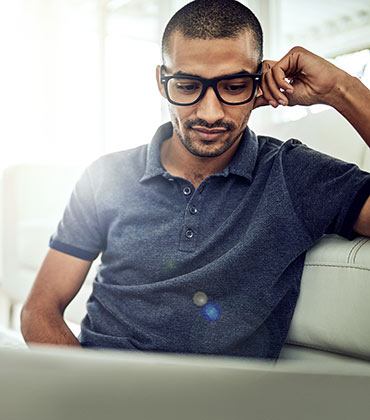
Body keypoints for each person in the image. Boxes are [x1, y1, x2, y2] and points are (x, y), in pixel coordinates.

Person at [21, 0, 370, 360]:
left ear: (257, 83)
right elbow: (39, 310)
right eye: (187, 86)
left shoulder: (293, 173)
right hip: (101, 394)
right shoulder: (104, 175)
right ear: (161, 81)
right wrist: (91, 397)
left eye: (233, 86)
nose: (209, 113)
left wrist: (341, 89)